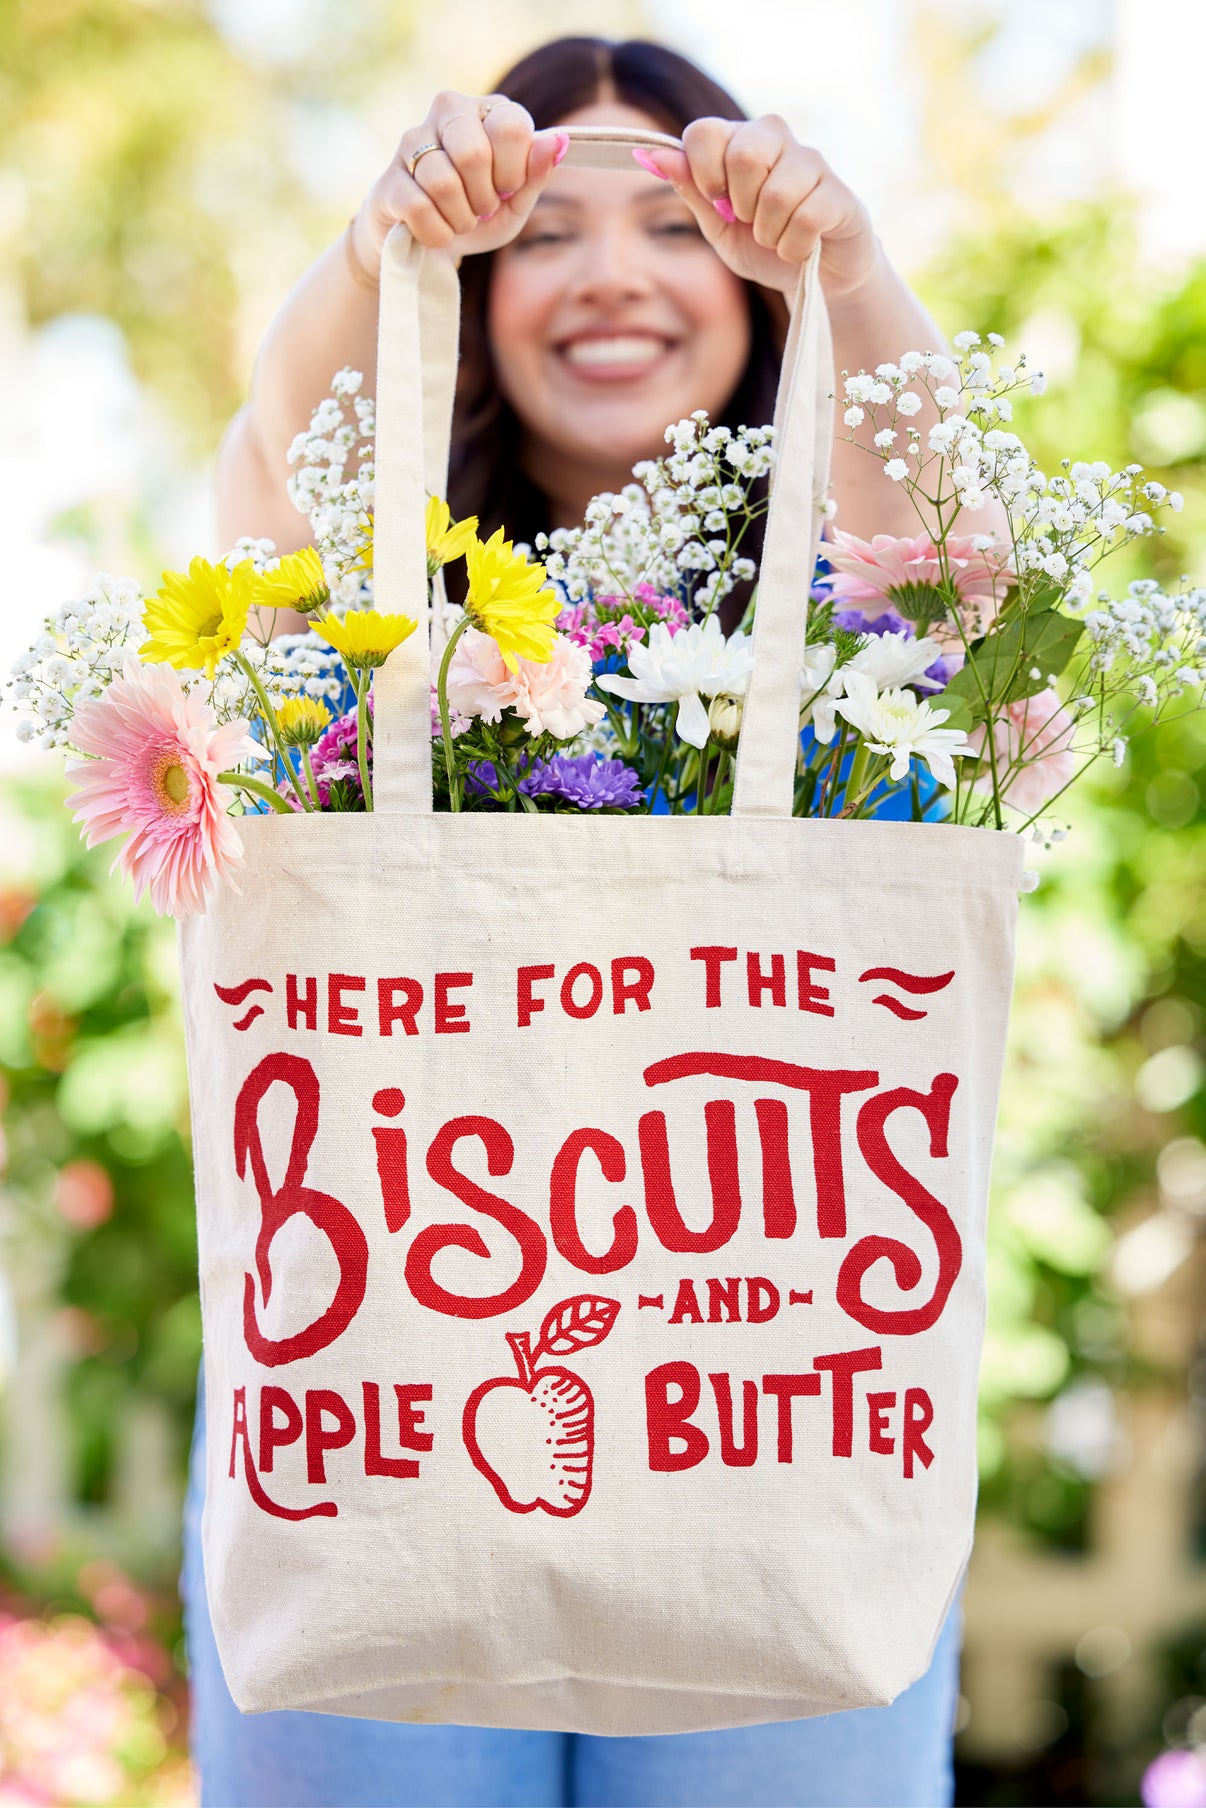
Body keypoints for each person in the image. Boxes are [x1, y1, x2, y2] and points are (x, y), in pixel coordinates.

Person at [187, 34, 970, 1808]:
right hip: (385, 1430)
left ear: (758, 295)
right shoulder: (368, 622)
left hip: (773, 1426)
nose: (609, 273)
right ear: (468, 299)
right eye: (539, 231)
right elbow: (268, 458)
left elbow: (974, 623)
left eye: (678, 227)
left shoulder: (851, 615)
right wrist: (375, 239)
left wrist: (850, 264)